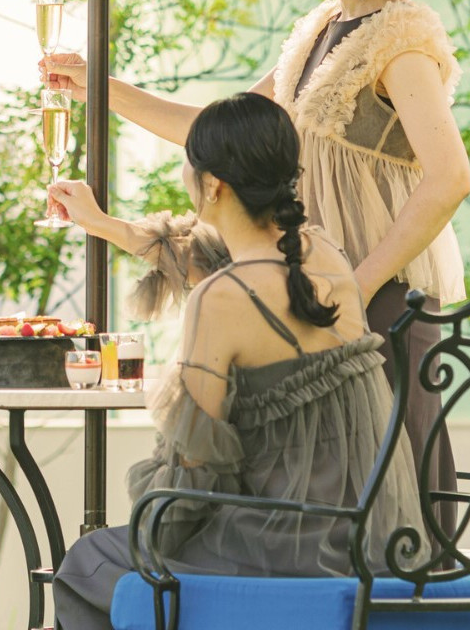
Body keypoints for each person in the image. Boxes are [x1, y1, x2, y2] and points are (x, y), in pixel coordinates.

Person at [42, 0, 469, 504]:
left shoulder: (402, 40)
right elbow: (219, 132)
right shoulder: (319, 30)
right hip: (305, 300)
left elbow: (450, 178)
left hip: (379, 304)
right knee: (318, 499)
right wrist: (99, 87)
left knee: (387, 505)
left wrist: (356, 286)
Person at [48, 94, 424, 630]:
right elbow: (210, 255)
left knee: (87, 563)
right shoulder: (324, 254)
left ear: (213, 186)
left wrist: (147, 518)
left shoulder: (222, 298)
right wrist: (103, 223)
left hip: (286, 547)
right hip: (376, 539)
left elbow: (189, 487)